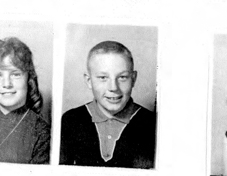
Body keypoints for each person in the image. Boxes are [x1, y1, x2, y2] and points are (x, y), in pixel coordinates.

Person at [60, 40, 156, 168]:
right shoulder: (70, 121)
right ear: (89, 81)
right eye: (103, 78)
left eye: (122, 77)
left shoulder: (152, 124)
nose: (113, 87)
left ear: (133, 79)